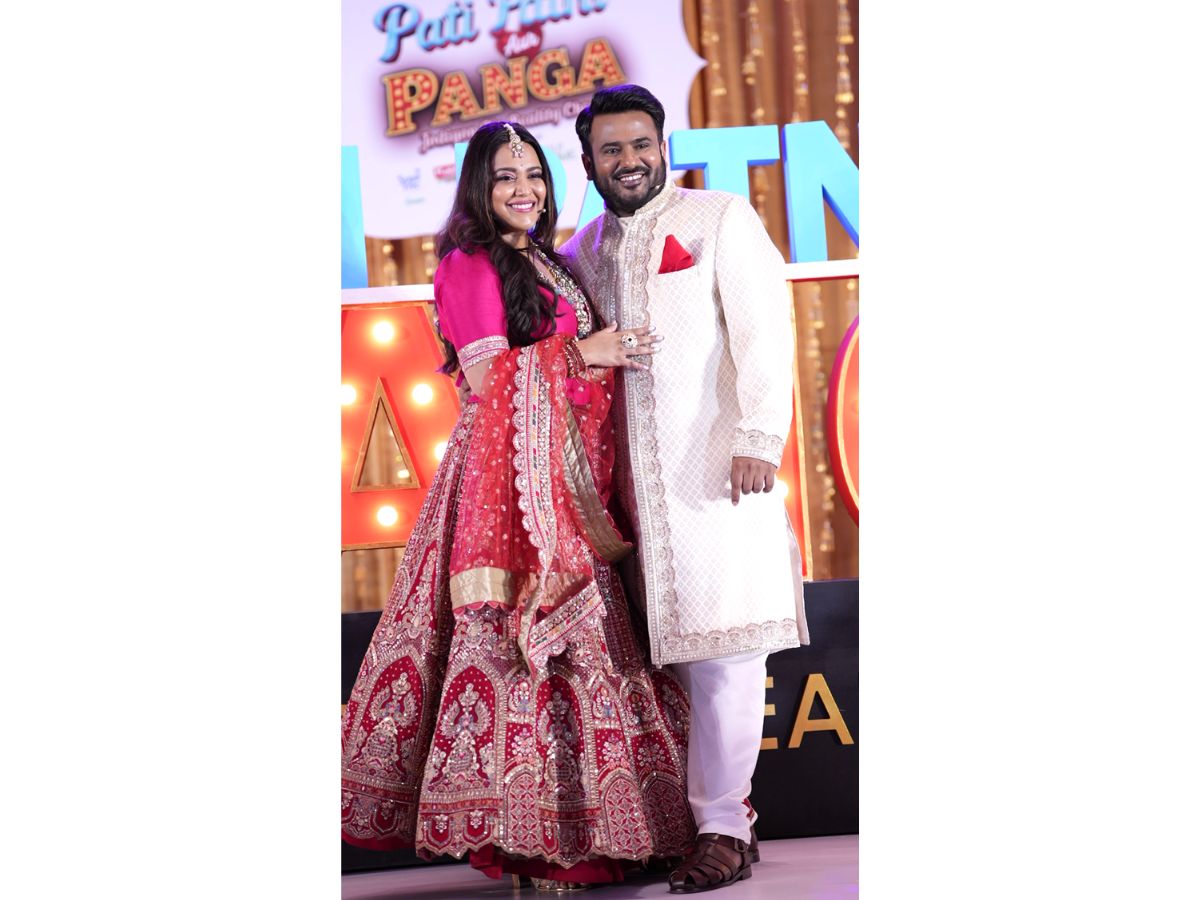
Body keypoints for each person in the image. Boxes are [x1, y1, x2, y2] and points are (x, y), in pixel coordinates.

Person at [341, 121, 697, 893]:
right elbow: (485, 380)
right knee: (522, 647)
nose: (524, 189)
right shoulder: (469, 263)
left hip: (564, 476)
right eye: (505, 176)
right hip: (507, 487)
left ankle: (601, 834)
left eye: (534, 174)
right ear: (479, 186)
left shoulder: (548, 259)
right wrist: (583, 352)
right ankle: (533, 847)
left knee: (587, 650)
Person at [559, 85, 810, 894]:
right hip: (627, 495)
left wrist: (759, 436)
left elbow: (765, 331)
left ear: (663, 146)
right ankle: (690, 824)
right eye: (611, 149)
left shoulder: (718, 218)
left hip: (716, 475)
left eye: (641, 144)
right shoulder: (583, 248)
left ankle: (724, 829)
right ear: (589, 161)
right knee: (663, 664)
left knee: (726, 652)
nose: (629, 160)